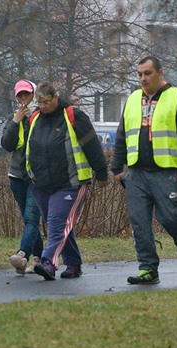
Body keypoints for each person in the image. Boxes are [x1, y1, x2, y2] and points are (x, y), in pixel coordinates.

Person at [110, 56, 177, 285]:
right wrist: (116, 168)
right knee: (139, 224)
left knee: (171, 219)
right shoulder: (132, 99)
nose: (143, 78)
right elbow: (122, 135)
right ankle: (148, 269)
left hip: (166, 172)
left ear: (160, 72)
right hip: (136, 174)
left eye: (147, 73)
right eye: (140, 74)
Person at [25, 81, 108, 280]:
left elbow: (92, 145)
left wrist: (102, 172)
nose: (43, 106)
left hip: (70, 182)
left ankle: (48, 263)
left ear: (56, 97)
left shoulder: (73, 116)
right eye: (39, 102)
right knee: (60, 225)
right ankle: (73, 263)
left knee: (56, 223)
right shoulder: (35, 118)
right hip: (42, 184)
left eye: (46, 101)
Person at [1, 80, 43, 274]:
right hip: (17, 176)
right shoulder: (13, 117)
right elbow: (7, 144)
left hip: (37, 177)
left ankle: (21, 255)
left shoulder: (42, 116)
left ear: (34, 94)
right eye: (20, 95)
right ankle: (39, 260)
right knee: (29, 220)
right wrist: (16, 121)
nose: (24, 99)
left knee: (32, 217)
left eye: (27, 94)